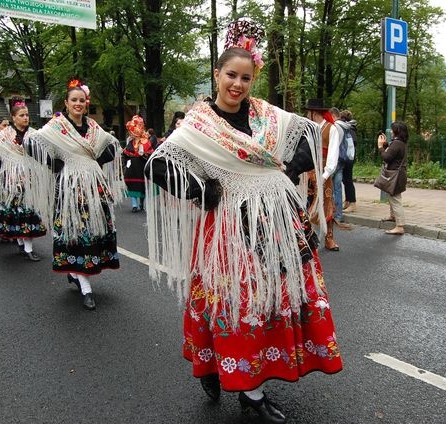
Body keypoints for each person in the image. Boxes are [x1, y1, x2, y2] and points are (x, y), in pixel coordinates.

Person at [144, 19, 342, 424]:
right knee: (239, 302)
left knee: (277, 298)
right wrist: (205, 190)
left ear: (254, 80)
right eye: (231, 75)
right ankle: (247, 390)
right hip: (230, 231)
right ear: (217, 74)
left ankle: (239, 372)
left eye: (246, 78)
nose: (238, 84)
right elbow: (157, 166)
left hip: (279, 222)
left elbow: (306, 136)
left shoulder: (269, 116)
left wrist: (287, 172)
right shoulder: (197, 126)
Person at [24, 79, 124, 310]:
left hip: (94, 188)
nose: (78, 104)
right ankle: (85, 286)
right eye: (74, 100)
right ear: (66, 104)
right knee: (76, 232)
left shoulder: (93, 128)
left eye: (82, 100)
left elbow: (112, 146)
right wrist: (57, 164)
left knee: (95, 231)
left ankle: (77, 273)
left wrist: (94, 161)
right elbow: (32, 144)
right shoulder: (56, 127)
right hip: (70, 189)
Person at [0, 100, 46, 261]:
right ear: (13, 117)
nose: (25, 118)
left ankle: (28, 248)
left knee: (29, 213)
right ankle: (20, 243)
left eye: (27, 115)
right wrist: (2, 165)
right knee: (14, 213)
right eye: (21, 115)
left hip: (30, 181)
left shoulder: (34, 134)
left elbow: (43, 152)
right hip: (10, 181)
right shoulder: (4, 136)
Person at [305, 99, 339, 251]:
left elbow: (332, 155)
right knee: (305, 204)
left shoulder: (331, 129)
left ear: (314, 113)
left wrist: (325, 175)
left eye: (308, 112)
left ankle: (329, 238)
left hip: (323, 173)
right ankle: (307, 238)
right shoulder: (308, 128)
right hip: (307, 172)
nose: (306, 114)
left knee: (327, 204)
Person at [377, 121, 408, 235]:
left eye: (392, 129)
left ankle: (400, 226)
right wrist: (385, 145)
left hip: (395, 175)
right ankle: (393, 216)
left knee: (395, 199)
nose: (390, 131)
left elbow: (387, 157)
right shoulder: (400, 143)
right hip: (399, 174)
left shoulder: (397, 144)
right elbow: (392, 153)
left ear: (397, 131)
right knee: (392, 196)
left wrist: (380, 147)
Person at [123, 115, 154, 212]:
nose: (131, 134)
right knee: (131, 184)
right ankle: (134, 204)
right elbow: (126, 153)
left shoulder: (146, 142)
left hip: (141, 166)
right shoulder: (130, 142)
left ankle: (141, 203)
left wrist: (144, 154)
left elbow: (150, 153)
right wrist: (126, 155)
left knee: (142, 186)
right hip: (132, 167)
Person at [340, 109, 358, 213]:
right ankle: (347, 200)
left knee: (348, 180)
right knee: (345, 180)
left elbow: (352, 143)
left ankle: (352, 203)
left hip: (348, 158)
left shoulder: (349, 129)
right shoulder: (350, 128)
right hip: (349, 157)